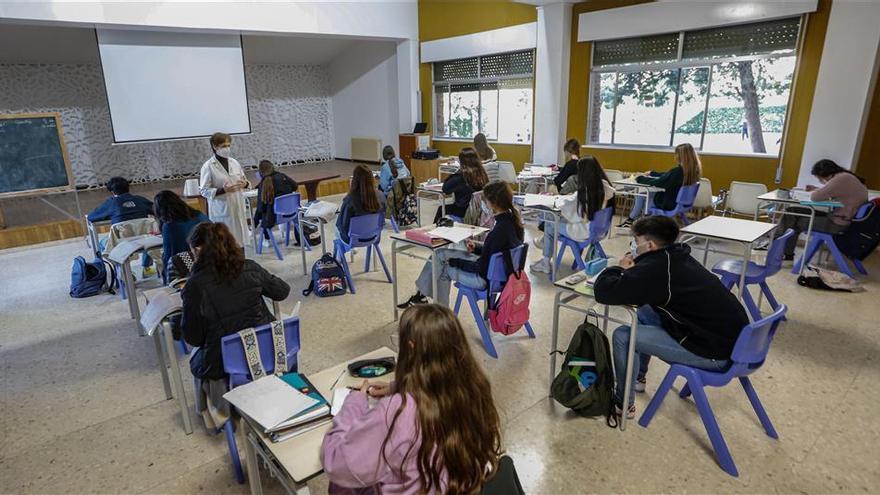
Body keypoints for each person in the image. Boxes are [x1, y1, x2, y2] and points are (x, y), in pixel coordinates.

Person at [322, 303, 502, 495]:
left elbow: (338, 464)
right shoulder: (474, 386)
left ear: (410, 347)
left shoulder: (398, 410)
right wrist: (396, 388)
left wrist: (354, 403)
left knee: (340, 486)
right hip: (458, 486)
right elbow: (438, 389)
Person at [593, 216, 749, 419]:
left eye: (636, 241)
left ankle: (624, 405)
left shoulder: (656, 270)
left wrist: (619, 268)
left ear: (650, 245)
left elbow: (604, 292)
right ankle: (638, 377)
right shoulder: (676, 256)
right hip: (732, 341)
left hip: (716, 353)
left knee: (623, 336)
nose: (633, 245)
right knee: (646, 310)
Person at [400, 181, 524, 308]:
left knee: (444, 270)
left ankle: (441, 313)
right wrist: (477, 248)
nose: (485, 203)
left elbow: (480, 267)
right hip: (499, 274)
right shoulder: (513, 223)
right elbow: (495, 251)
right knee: (439, 253)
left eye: (486, 200)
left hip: (484, 278)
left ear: (493, 203)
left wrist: (455, 262)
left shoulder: (499, 230)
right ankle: (421, 295)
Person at [530, 157, 616, 274]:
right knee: (554, 221)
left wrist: (555, 198)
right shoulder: (605, 187)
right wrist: (572, 197)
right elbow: (577, 205)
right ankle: (543, 242)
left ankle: (545, 262)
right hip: (598, 231)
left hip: (583, 231)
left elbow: (571, 210)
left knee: (551, 222)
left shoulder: (586, 191)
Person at [775, 159, 869, 260]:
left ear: (823, 174)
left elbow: (815, 197)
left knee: (794, 220)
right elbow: (830, 192)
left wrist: (817, 190)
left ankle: (777, 247)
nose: (820, 181)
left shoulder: (841, 179)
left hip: (837, 224)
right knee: (792, 211)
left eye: (819, 178)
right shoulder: (846, 177)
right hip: (842, 219)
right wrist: (816, 188)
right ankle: (782, 250)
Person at [619, 143, 701, 227]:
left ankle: (632, 219)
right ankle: (633, 219)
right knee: (643, 195)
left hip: (668, 203)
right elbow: (667, 176)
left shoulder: (678, 172)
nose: (675, 156)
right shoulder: (693, 171)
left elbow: (659, 183)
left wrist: (639, 178)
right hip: (682, 203)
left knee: (642, 195)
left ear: (680, 156)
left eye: (676, 153)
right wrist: (653, 173)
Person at [88, 176, 156, 275]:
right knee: (148, 236)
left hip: (123, 241)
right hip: (144, 240)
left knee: (103, 242)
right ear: (128, 187)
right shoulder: (140, 200)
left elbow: (91, 217)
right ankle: (147, 267)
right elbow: (156, 210)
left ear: (112, 192)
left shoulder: (111, 203)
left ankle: (122, 272)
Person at [199, 132, 250, 246]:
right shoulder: (208, 166)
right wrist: (223, 190)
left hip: (238, 205)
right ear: (215, 147)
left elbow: (245, 180)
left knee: (240, 242)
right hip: (222, 209)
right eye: (223, 146)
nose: (227, 148)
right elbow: (203, 191)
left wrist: (245, 184)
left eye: (228, 145)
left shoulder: (234, 162)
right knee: (225, 243)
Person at [153, 190, 209, 284]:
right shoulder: (200, 215)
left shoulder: (170, 226)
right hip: (213, 259)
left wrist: (166, 280)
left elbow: (170, 256)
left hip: (189, 268)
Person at [435, 148, 489, 224]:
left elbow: (445, 189)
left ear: (461, 161)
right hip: (478, 209)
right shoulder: (482, 174)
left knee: (441, 209)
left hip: (462, 211)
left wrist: (457, 171)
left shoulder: (460, 176)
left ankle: (433, 232)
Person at [336, 164, 386, 244]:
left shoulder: (350, 199)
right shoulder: (381, 195)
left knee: (337, 228)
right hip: (374, 236)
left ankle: (337, 255)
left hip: (353, 240)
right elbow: (382, 220)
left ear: (354, 180)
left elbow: (343, 227)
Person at [253, 160, 298, 239]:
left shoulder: (264, 184)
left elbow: (260, 208)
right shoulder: (282, 176)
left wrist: (254, 222)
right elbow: (295, 186)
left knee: (263, 211)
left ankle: (265, 236)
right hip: (291, 214)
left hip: (273, 219)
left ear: (260, 172)